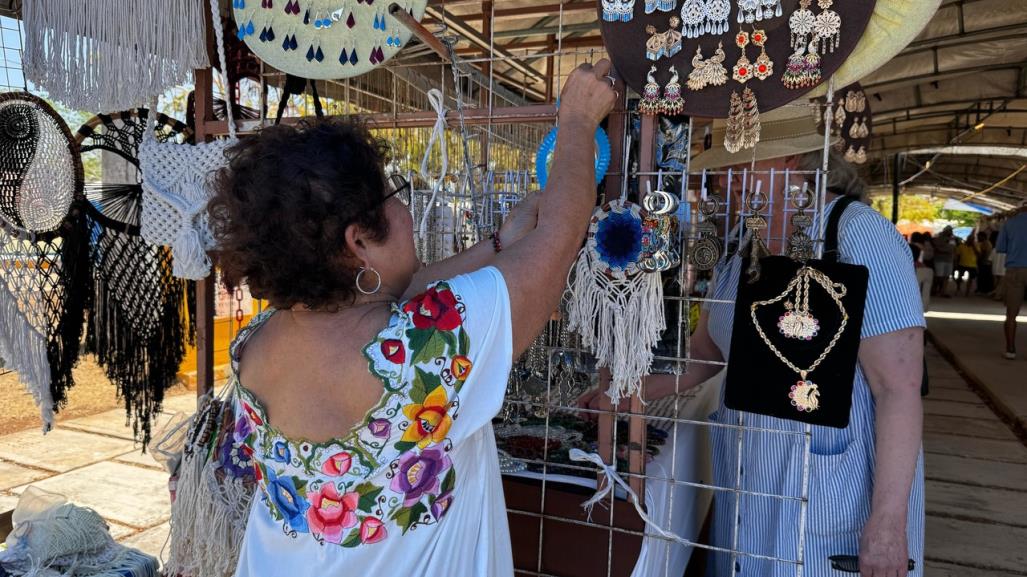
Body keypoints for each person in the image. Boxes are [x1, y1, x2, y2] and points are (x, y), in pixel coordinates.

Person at [202, 61, 617, 576]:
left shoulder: (253, 346)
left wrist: (498, 247)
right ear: (358, 240)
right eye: (393, 194)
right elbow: (557, 240)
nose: (404, 208)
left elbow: (379, 303)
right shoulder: (432, 351)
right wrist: (577, 122)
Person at [580, 106, 925, 577]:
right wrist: (627, 392)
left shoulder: (856, 234)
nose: (730, 177)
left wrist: (888, 521)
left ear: (790, 161)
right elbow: (704, 357)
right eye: (727, 165)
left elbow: (899, 388)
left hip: (829, 500)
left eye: (743, 163)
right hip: (749, 492)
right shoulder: (745, 245)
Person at [996, 203, 1027, 360]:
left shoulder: (1010, 223)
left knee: (1011, 315)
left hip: (1015, 270)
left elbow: (1001, 247)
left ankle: (1011, 349)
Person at [910, 232, 933, 311]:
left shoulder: (910, 246)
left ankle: (914, 308)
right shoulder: (927, 247)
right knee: (926, 291)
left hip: (917, 270)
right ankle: (924, 307)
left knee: (915, 290)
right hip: (928, 270)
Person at [932, 226, 957, 297]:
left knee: (946, 276)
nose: (951, 232)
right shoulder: (938, 238)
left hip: (949, 260)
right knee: (938, 276)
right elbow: (937, 247)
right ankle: (934, 289)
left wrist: (943, 248)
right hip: (939, 260)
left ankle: (943, 291)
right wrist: (945, 248)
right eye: (949, 230)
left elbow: (952, 248)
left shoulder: (952, 239)